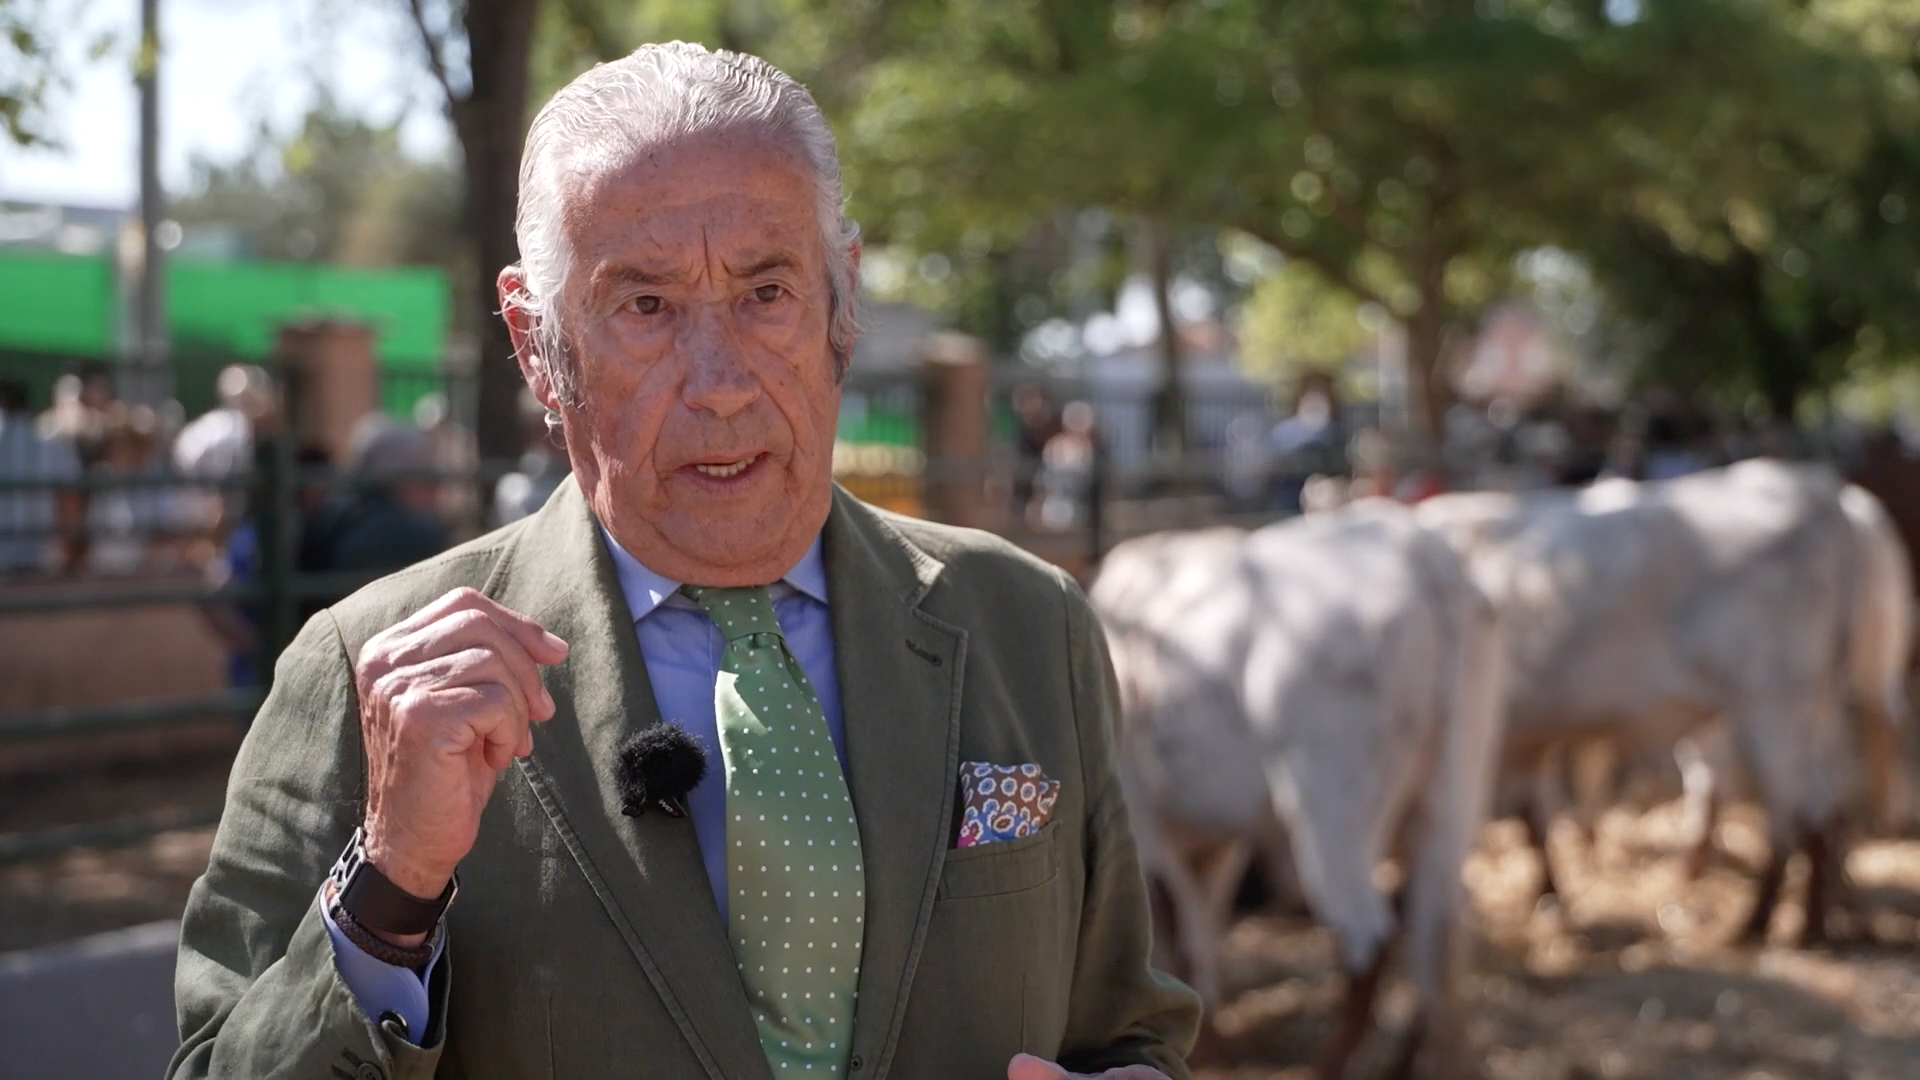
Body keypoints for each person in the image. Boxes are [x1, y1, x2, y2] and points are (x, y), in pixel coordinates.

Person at [171, 42, 1197, 1080]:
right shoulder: (369, 677)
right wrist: (391, 889)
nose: (720, 383)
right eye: (647, 307)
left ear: (842, 299)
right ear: (536, 345)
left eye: (766, 292)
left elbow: (1127, 1031)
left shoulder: (1029, 628)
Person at [0, 380, 83, 576]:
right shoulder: (54, 443)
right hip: (42, 555)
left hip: (34, 555)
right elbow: (70, 502)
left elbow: (70, 499)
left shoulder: (52, 443)